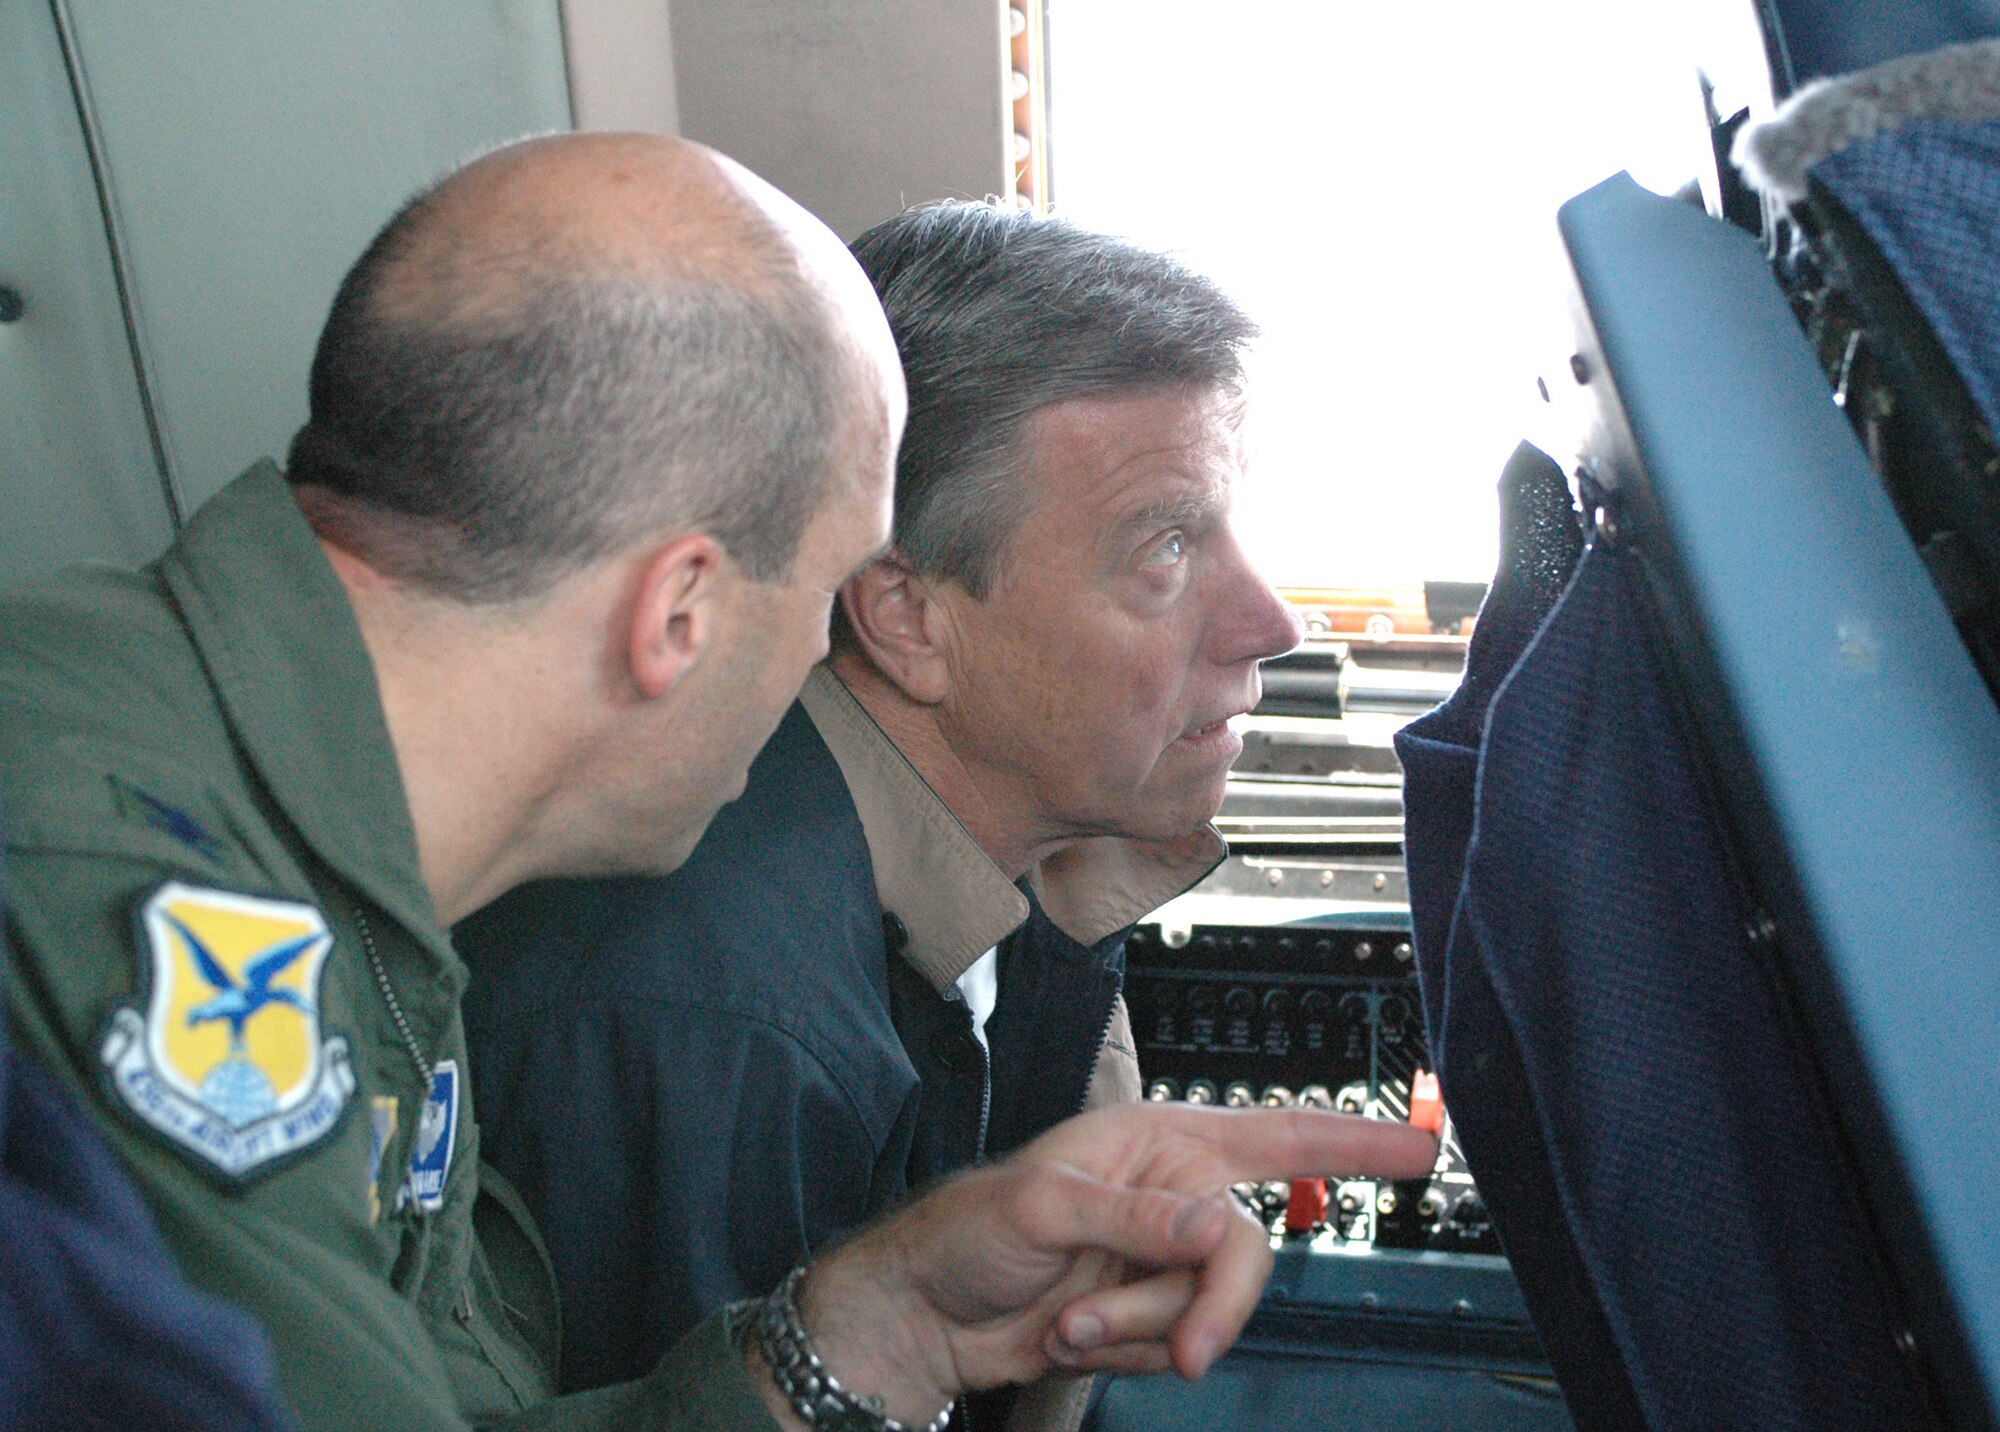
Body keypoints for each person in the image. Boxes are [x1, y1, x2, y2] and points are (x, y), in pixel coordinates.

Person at [0, 133, 1436, 1432]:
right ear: (679, 613)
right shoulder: (134, 916)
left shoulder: (336, 869)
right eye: (819, 592)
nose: (820, 668)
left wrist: (870, 1333)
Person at [457, 199, 1306, 1428]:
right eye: (1164, 550)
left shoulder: (1030, 851)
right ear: (906, 617)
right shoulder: (721, 1024)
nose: (1268, 621)